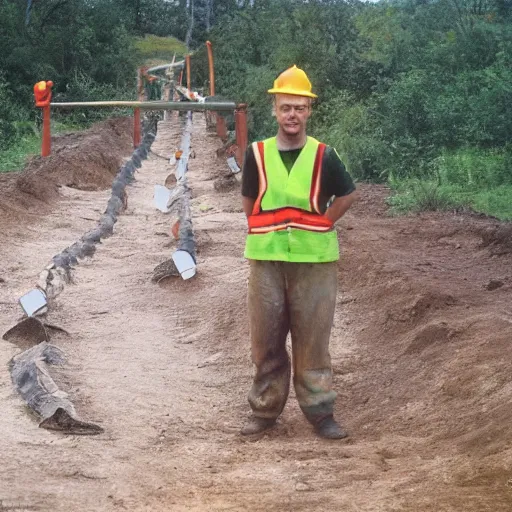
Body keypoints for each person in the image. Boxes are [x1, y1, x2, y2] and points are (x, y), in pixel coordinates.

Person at [240, 65, 358, 439]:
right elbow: (248, 201)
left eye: (300, 108)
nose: (293, 114)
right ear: (275, 109)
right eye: (286, 107)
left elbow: (348, 195)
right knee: (266, 341)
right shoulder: (256, 154)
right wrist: (266, 229)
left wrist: (324, 222)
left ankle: (321, 413)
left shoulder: (325, 155)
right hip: (267, 260)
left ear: (309, 111)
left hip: (315, 261)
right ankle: (264, 410)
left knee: (313, 341)